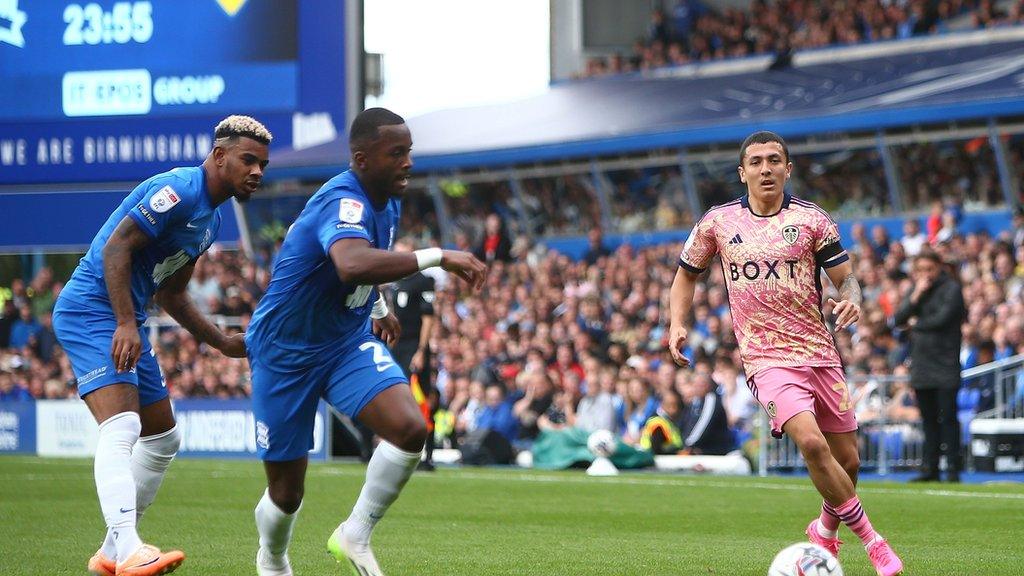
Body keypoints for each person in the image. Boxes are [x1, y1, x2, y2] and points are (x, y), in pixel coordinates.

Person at [245, 108, 486, 576]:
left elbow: (362, 263)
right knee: (287, 493)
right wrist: (439, 255)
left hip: (341, 342)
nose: (408, 162)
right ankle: (272, 559)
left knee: (410, 429)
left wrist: (378, 309)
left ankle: (354, 534)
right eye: (396, 153)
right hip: (285, 352)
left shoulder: (386, 199)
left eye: (409, 151)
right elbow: (351, 264)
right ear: (361, 159)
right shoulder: (343, 200)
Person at [668, 131, 904, 576]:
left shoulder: (813, 220)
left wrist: (852, 296)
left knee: (848, 461)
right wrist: (677, 322)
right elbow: (685, 276)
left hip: (820, 352)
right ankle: (874, 542)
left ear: (787, 168)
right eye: (755, 162)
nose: (765, 168)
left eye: (774, 160)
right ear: (743, 173)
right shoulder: (718, 223)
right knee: (812, 444)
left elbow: (846, 278)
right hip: (765, 358)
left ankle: (824, 531)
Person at [52, 115, 272, 576]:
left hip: (121, 313)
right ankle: (130, 547)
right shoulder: (176, 190)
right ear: (219, 156)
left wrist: (223, 341)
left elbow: (171, 293)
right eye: (248, 160)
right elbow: (117, 249)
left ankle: (111, 555)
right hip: (92, 309)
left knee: (163, 436)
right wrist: (127, 324)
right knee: (123, 424)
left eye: (262, 164)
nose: (257, 171)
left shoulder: (210, 221)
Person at [893, 248, 965, 483]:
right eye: (921, 270)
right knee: (928, 421)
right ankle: (929, 468)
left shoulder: (951, 289)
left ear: (939, 267)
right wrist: (915, 298)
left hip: (945, 365)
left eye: (930, 269)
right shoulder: (917, 290)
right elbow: (899, 318)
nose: (926, 274)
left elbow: (942, 319)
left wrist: (916, 323)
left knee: (948, 419)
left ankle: (953, 469)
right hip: (922, 366)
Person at [391, 236, 439, 471]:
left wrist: (421, 350)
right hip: (398, 347)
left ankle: (427, 455)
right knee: (399, 398)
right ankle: (403, 451)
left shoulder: (424, 280)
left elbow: (428, 318)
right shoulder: (395, 281)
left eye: (403, 252)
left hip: (415, 346)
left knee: (421, 398)